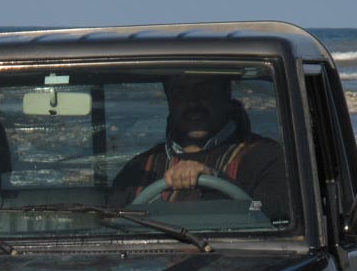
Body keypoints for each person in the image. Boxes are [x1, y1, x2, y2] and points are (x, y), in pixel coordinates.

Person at [110, 74, 287, 221]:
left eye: (205, 90)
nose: (193, 103)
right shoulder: (141, 168)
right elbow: (111, 224)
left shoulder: (267, 157)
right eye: (181, 93)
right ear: (169, 101)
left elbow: (276, 218)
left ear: (226, 95)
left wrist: (216, 179)